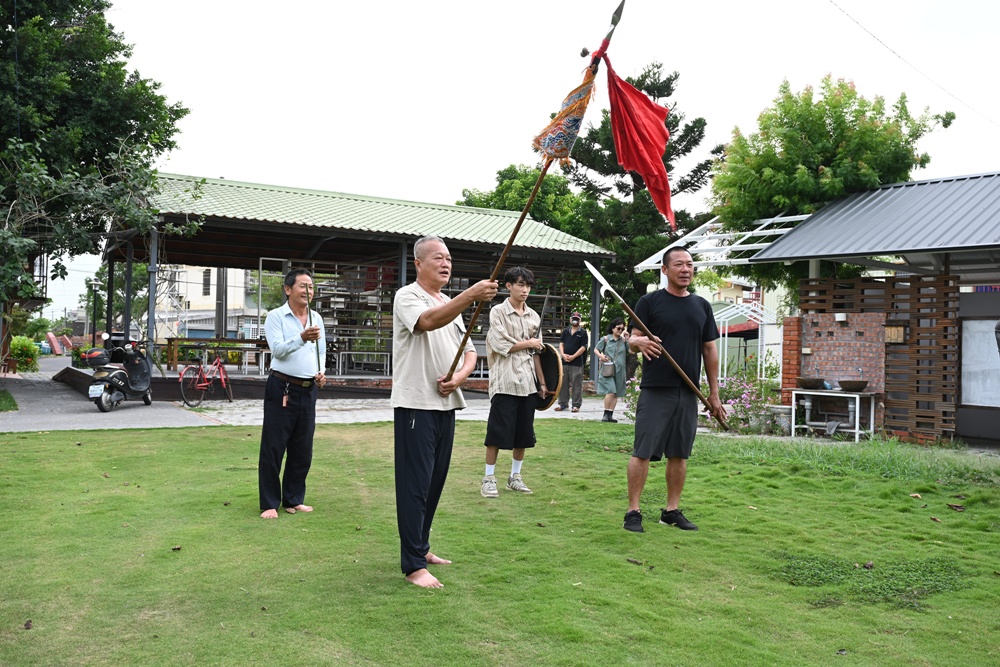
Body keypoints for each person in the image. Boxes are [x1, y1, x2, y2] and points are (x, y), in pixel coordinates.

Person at [391, 235, 499, 588]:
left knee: (434, 481)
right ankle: (412, 566)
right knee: (415, 484)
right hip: (416, 404)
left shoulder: (450, 304)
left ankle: (422, 548)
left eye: (449, 258)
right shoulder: (408, 296)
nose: (446, 263)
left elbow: (469, 352)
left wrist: (459, 376)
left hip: (445, 404)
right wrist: (470, 295)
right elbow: (427, 322)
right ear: (419, 263)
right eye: (438, 257)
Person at [623, 247, 724, 533]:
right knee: (642, 451)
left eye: (690, 265)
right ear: (665, 270)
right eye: (678, 264)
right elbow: (633, 339)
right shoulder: (649, 302)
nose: (686, 269)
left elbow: (709, 349)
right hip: (657, 389)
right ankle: (633, 511)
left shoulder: (702, 306)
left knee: (679, 453)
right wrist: (638, 343)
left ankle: (671, 511)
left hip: (688, 390)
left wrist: (713, 392)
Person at [258, 268, 327, 519]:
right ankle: (268, 503)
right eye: (303, 286)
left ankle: (294, 499)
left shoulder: (316, 318)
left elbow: (320, 351)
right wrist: (301, 337)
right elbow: (277, 351)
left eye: (311, 286)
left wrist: (321, 372)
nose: (308, 291)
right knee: (274, 447)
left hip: (309, 390)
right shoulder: (276, 317)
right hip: (282, 387)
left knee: (302, 448)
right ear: (288, 289)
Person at [481, 267, 549, 498]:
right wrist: (529, 343)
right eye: (520, 284)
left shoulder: (534, 317)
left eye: (528, 285)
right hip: (505, 382)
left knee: (524, 434)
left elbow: (537, 352)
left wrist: (542, 383)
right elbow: (502, 344)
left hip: (528, 384)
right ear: (508, 285)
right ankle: (489, 478)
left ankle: (515, 478)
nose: (525, 290)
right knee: (497, 433)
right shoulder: (498, 312)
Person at [594, 317, 628, 423]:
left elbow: (631, 351)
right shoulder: (606, 339)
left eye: (622, 329)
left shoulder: (623, 341)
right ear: (613, 328)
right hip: (608, 369)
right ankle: (605, 414)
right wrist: (601, 356)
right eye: (618, 328)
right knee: (610, 391)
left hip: (620, 370)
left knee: (616, 393)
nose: (620, 331)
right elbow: (596, 349)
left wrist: (628, 339)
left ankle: (610, 415)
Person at [555, 311, 588, 412]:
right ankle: (563, 404)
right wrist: (563, 354)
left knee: (576, 384)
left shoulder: (583, 332)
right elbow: (561, 343)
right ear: (570, 319)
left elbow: (583, 347)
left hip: (577, 363)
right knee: (563, 383)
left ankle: (576, 405)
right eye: (573, 318)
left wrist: (573, 356)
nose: (575, 320)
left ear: (580, 320)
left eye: (577, 319)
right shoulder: (565, 331)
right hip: (564, 361)